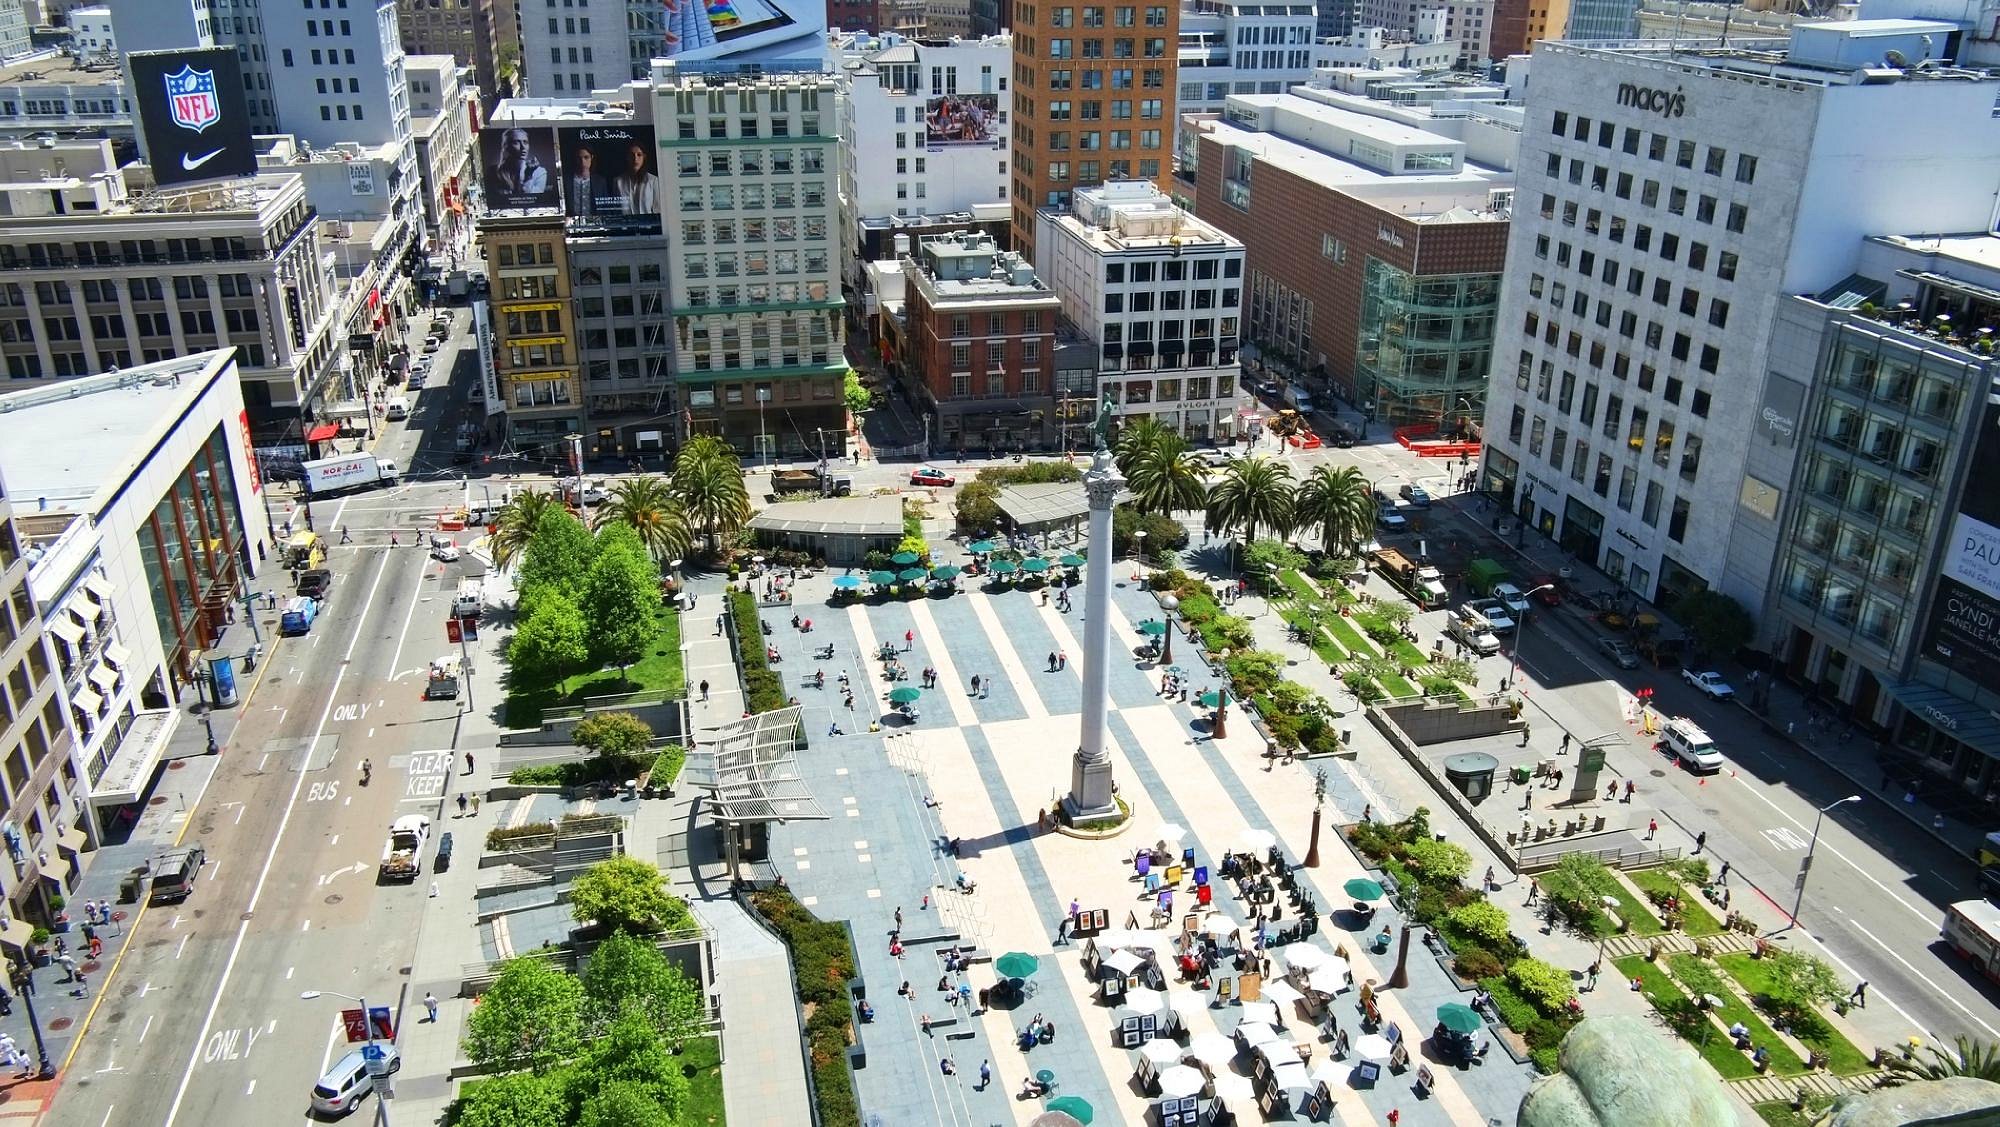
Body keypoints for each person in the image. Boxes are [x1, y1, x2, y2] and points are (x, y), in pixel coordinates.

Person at [489, 128, 549, 200]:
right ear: (506, 146)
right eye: (516, 142)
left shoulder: (539, 172)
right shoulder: (493, 172)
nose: (523, 147)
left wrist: (528, 176)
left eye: (525, 142)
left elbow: (533, 199)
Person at [564, 141, 607, 217]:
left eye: (586, 157)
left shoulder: (600, 181)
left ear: (592, 158)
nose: (582, 162)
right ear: (575, 159)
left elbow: (605, 209)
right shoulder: (566, 181)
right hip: (572, 225)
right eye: (579, 158)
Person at [615, 140, 658, 214]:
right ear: (627, 157)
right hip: (625, 224)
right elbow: (616, 210)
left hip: (648, 225)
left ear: (644, 157)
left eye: (639, 154)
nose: (635, 159)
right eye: (632, 155)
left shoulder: (653, 180)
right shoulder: (618, 181)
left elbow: (658, 210)